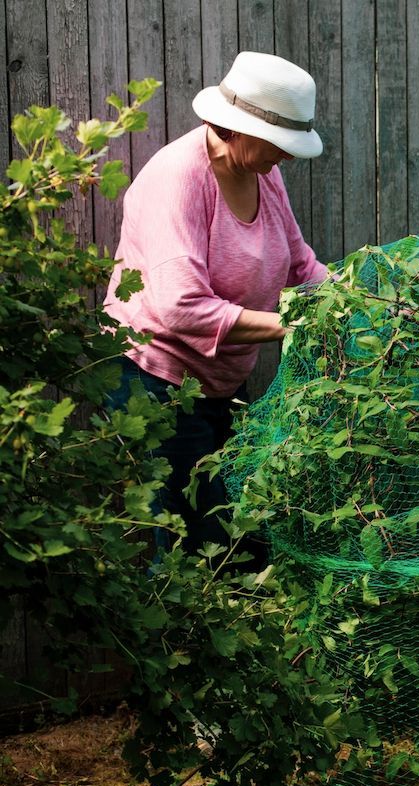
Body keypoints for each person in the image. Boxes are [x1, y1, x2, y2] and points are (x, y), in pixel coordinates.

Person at [104, 51, 328, 565]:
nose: (288, 158)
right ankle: (187, 644)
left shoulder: (262, 170)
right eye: (282, 144)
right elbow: (180, 307)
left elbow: (300, 265)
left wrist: (353, 299)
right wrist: (294, 322)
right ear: (234, 127)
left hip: (222, 381)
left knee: (241, 527)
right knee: (195, 544)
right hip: (158, 384)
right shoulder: (177, 179)